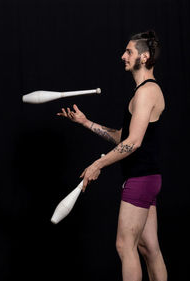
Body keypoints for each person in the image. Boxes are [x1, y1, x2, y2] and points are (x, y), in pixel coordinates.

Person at [58, 30, 167, 281]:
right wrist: (86, 123)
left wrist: (98, 163)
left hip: (140, 179)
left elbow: (134, 142)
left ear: (145, 56)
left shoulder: (147, 92)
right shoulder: (143, 92)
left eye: (129, 51)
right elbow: (123, 137)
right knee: (149, 248)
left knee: (124, 245)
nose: (123, 56)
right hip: (147, 177)